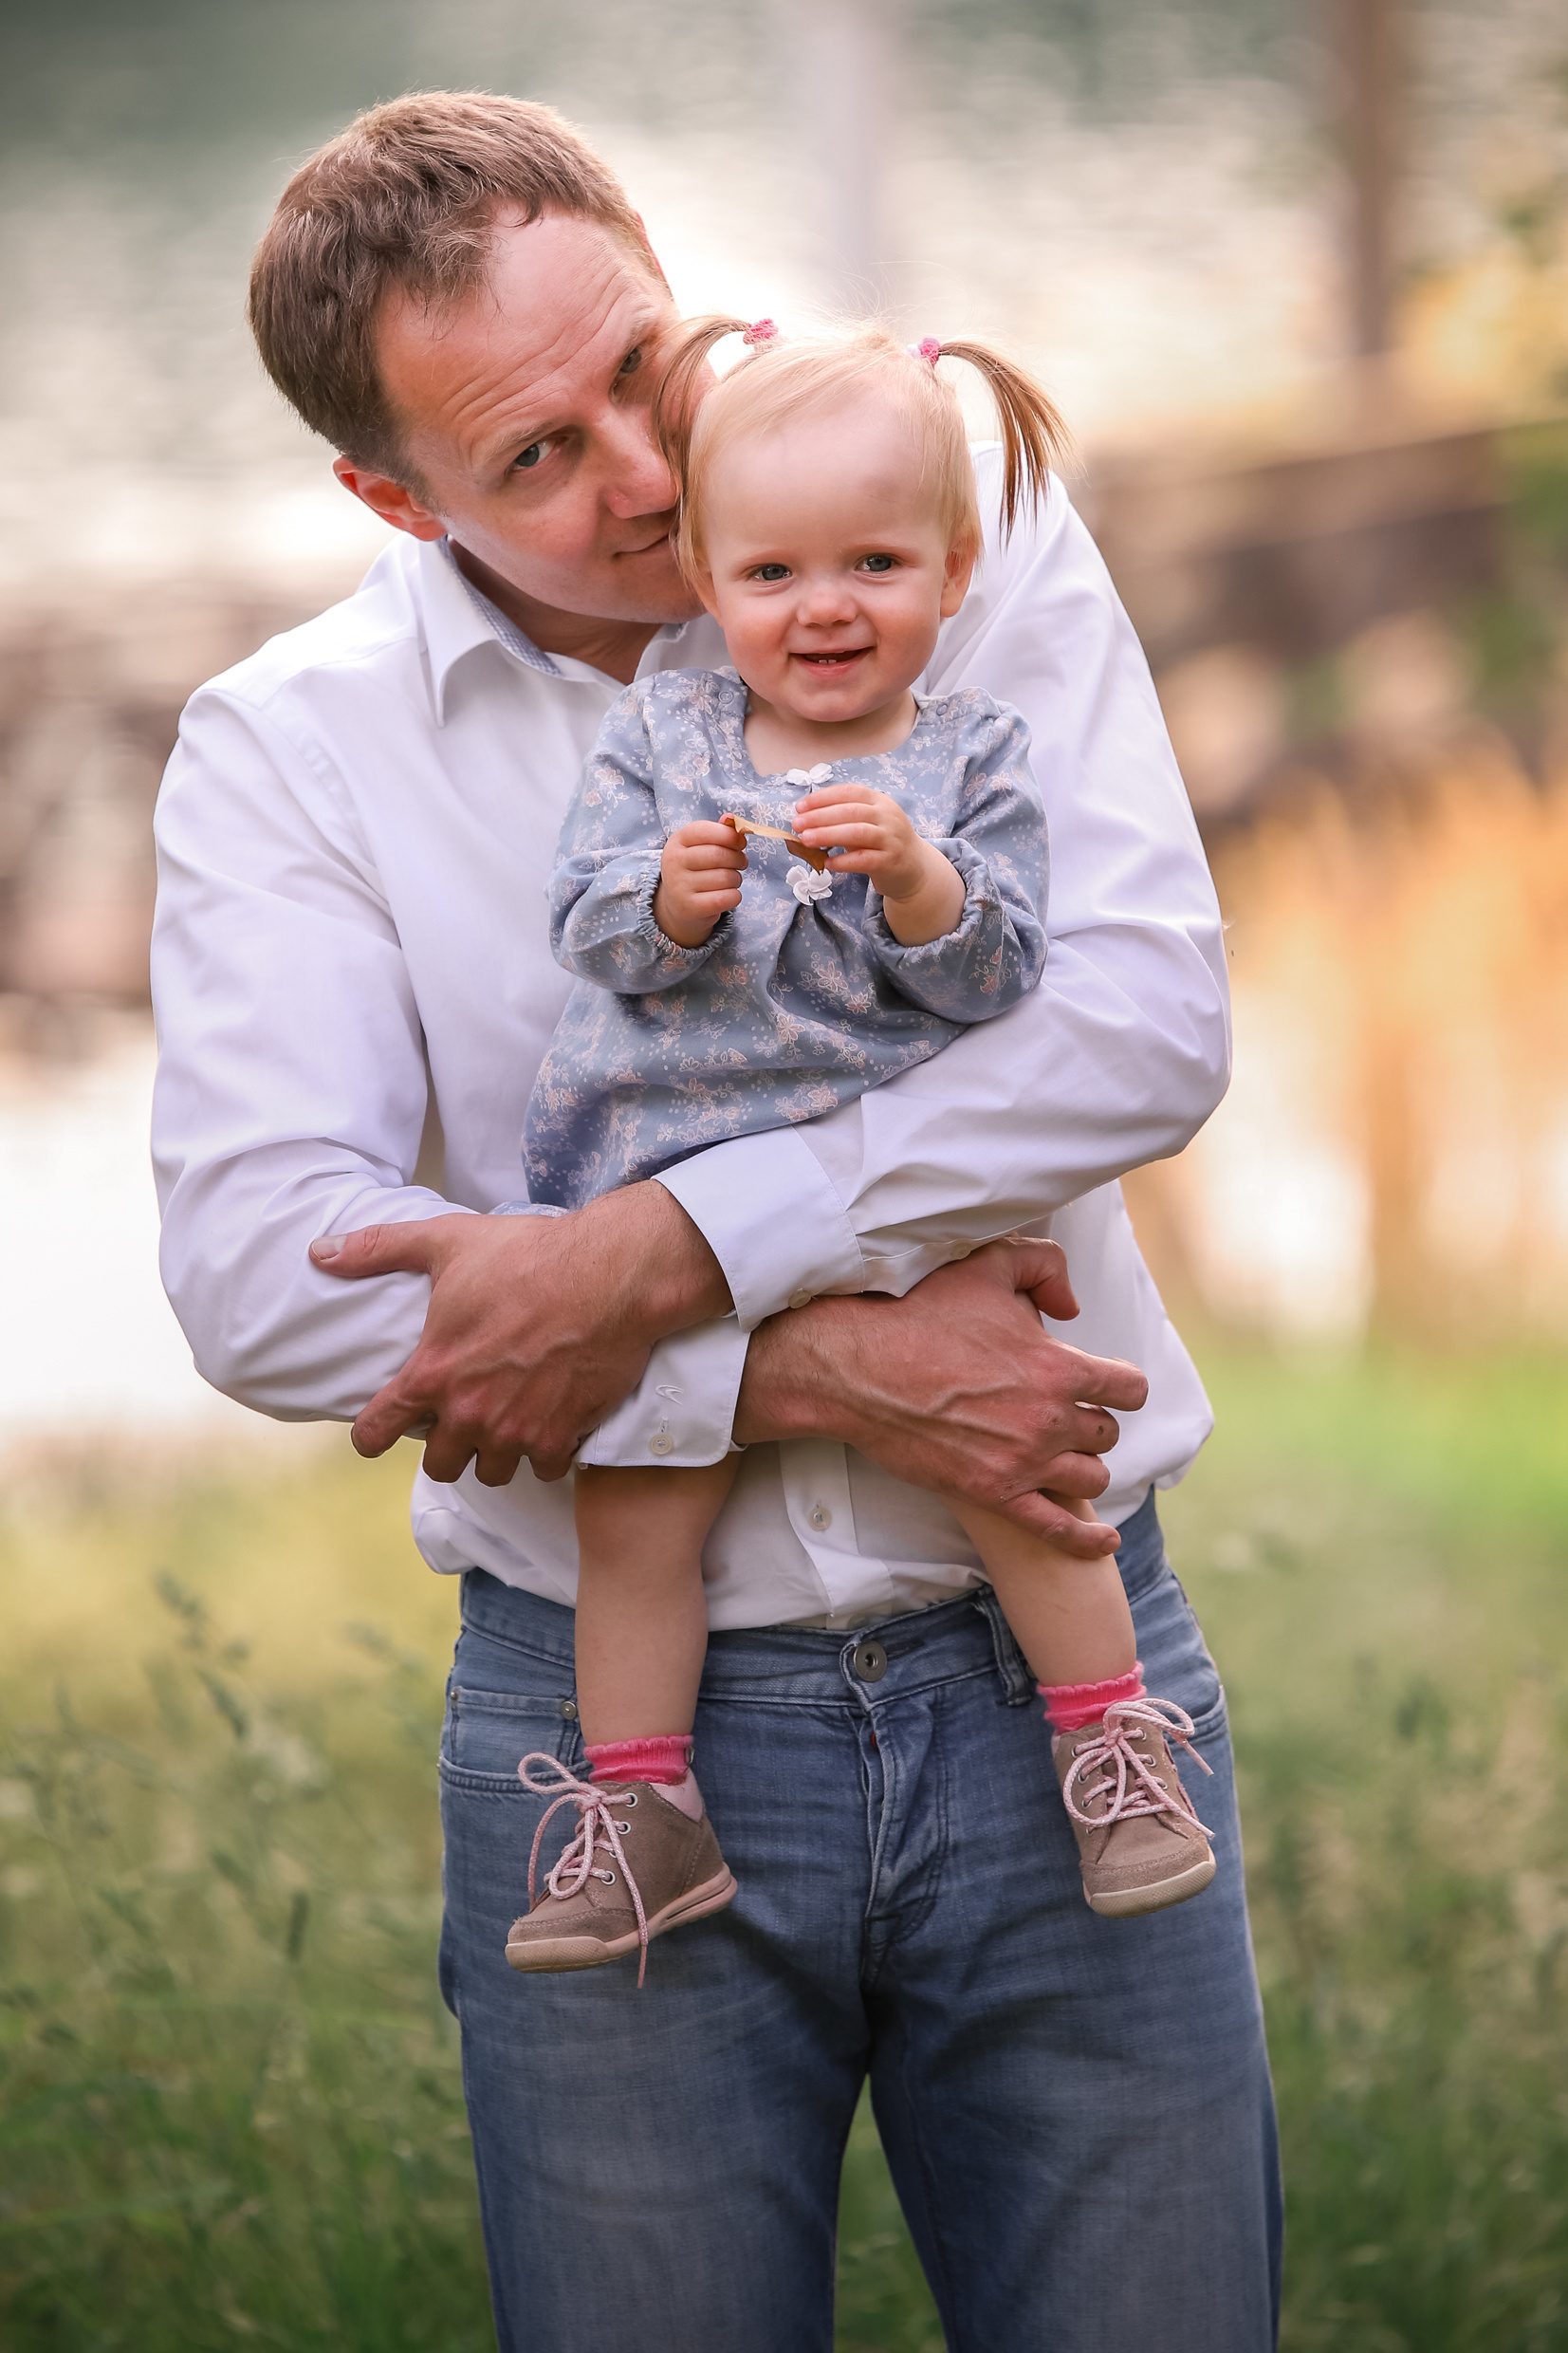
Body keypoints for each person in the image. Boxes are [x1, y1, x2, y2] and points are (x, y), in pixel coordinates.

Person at [153, 90, 1281, 2353]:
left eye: (632, 372)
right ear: (393, 497)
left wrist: (655, 1264)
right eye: (534, 457)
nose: (645, 482)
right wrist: (818, 1354)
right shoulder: (290, 749)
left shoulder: (939, 519)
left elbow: (1139, 1024)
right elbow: (272, 1276)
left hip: (1061, 1670)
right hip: (600, 1716)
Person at [506, 315, 1215, 1981]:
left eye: (875, 563)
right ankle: (639, 1807)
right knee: (636, 1503)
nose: (823, 607)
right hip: (673, 1170)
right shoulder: (661, 745)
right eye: (770, 574)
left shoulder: (966, 759)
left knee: (1016, 1463)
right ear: (702, 574)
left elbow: (1004, 967)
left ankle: (1111, 1748)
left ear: (955, 569)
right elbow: (581, 925)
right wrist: (660, 904)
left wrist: (917, 878)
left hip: (902, 1180)